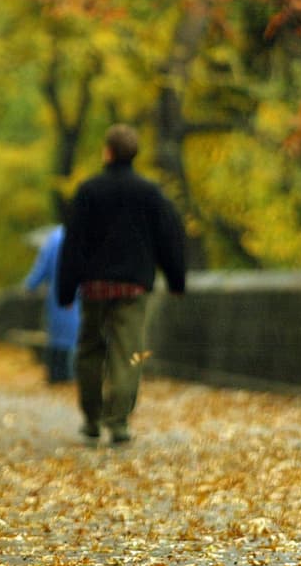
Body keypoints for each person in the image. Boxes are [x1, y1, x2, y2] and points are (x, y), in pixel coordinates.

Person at [57, 124, 186, 445]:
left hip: (95, 288)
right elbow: (169, 239)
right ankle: (118, 421)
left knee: (89, 351)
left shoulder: (88, 191)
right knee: (128, 352)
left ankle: (91, 418)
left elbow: (72, 244)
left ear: (108, 152)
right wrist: (176, 279)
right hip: (132, 288)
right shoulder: (150, 193)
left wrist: (66, 288)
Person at [24, 225, 80, 383]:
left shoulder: (54, 238)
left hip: (57, 297)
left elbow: (41, 269)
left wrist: (30, 285)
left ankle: (57, 376)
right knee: (75, 337)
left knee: (57, 337)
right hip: (80, 298)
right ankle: (71, 377)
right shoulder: (85, 234)